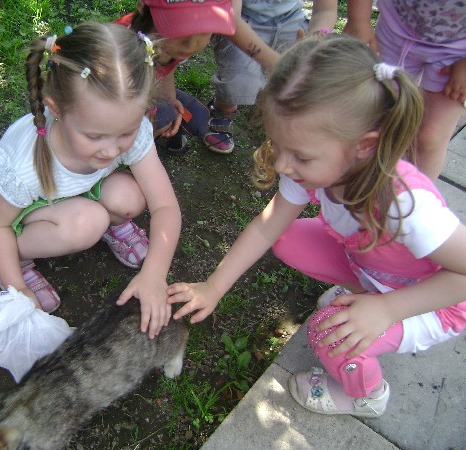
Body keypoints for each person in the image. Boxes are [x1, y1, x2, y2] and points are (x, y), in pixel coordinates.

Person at [167, 34, 466, 417]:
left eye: (300, 156)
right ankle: (363, 292)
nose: (282, 165)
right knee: (287, 238)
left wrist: (388, 309)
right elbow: (267, 227)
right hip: (374, 268)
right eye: (278, 145)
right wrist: (214, 286)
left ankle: (366, 395)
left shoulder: (405, 204)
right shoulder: (319, 166)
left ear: (363, 146)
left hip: (433, 302)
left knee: (328, 332)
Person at [0, 22, 181, 339]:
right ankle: (11, 261)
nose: (111, 150)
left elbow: (165, 205)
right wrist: (17, 289)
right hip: (21, 211)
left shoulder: (127, 126)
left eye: (126, 133)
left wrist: (155, 274)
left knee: (130, 197)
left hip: (77, 191)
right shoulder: (24, 165)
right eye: (95, 136)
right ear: (56, 110)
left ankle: (109, 225)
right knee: (88, 222)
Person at [344, 0, 466, 180]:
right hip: (397, 28)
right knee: (375, 116)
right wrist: (358, 20)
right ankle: (362, 181)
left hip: (457, 51)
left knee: (431, 137)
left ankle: (417, 193)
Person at [208, 0, 338, 148]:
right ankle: (223, 109)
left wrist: (314, 39)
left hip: (292, 20)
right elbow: (232, 19)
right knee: (238, 81)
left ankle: (287, 126)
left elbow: (325, 10)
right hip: (242, 20)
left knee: (303, 81)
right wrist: (278, 63)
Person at [115, 0, 237, 154]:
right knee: (164, 115)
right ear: (144, 8)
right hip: (116, 97)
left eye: (204, 32)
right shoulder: (121, 47)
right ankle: (129, 152)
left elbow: (165, 68)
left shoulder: (169, 43)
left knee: (198, 118)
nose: (190, 45)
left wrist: (170, 98)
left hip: (146, 86)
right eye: (181, 28)